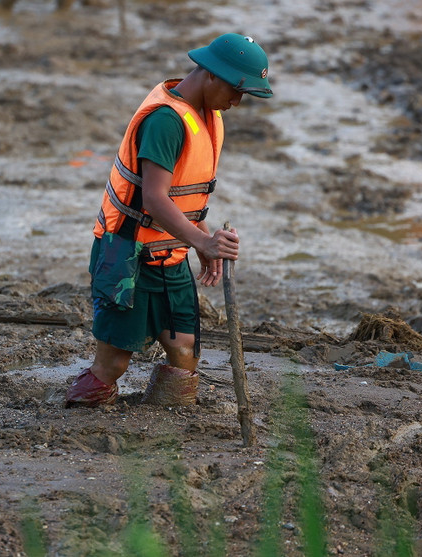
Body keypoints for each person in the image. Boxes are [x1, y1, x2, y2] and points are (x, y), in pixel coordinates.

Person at [65, 33, 273, 408]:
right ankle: (77, 412)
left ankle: (163, 417)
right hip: (128, 257)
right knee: (113, 364)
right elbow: (155, 198)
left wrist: (201, 239)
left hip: (171, 257)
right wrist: (202, 242)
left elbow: (185, 194)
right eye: (236, 90)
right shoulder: (166, 121)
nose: (237, 102)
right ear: (211, 74)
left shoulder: (209, 117)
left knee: (185, 352)